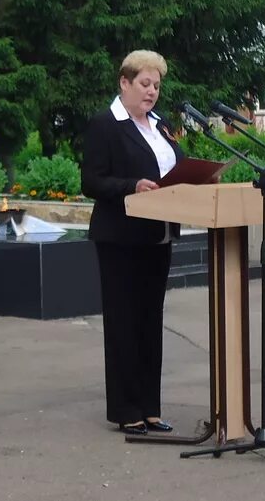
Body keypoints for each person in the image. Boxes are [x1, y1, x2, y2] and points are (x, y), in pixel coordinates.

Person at [80, 50, 183, 437]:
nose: (152, 91)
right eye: (145, 83)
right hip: (121, 237)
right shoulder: (106, 125)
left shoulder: (162, 125)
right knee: (124, 322)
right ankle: (126, 409)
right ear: (124, 83)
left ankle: (151, 408)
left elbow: (175, 165)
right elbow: (91, 181)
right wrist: (131, 186)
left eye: (156, 85)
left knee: (149, 322)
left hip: (159, 236)